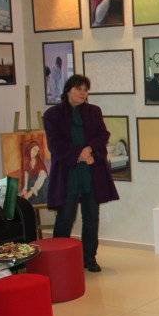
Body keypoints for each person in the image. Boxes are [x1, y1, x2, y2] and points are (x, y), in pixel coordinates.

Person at [43, 74, 119, 272]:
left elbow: (103, 135)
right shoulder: (53, 114)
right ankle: (58, 259)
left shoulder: (94, 111)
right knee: (65, 218)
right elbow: (55, 144)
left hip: (91, 171)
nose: (82, 93)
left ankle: (89, 258)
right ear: (68, 90)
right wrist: (80, 154)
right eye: (78, 89)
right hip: (68, 172)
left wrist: (89, 150)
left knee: (92, 217)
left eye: (85, 90)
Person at [19, 140, 48, 205]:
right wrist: (24, 190)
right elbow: (26, 178)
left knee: (34, 179)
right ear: (30, 149)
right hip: (33, 188)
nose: (35, 152)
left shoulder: (39, 163)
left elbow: (42, 177)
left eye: (37, 151)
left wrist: (31, 192)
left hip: (42, 187)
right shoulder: (27, 164)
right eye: (34, 149)